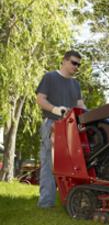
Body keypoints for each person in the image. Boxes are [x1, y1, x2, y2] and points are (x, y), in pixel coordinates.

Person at [36, 50, 86, 208]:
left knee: (71, 165)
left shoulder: (75, 84)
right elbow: (40, 99)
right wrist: (55, 109)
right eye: (73, 63)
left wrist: (89, 115)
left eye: (78, 64)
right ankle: (46, 203)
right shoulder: (50, 77)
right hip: (52, 123)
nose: (76, 67)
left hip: (70, 128)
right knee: (49, 164)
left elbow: (80, 105)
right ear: (64, 61)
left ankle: (71, 201)